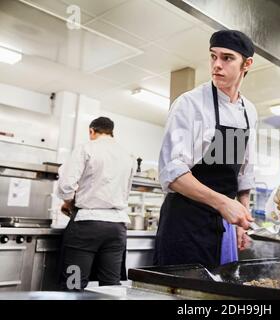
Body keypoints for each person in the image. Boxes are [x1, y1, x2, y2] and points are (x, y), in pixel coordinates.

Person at [155, 30, 258, 267]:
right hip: (184, 224)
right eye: (213, 56)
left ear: (247, 64)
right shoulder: (189, 104)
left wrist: (241, 220)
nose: (217, 65)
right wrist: (223, 203)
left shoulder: (249, 111)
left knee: (217, 294)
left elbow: (244, 173)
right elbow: (172, 173)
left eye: (227, 58)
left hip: (221, 225)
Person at [57, 117, 135, 290]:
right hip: (117, 228)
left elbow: (66, 185)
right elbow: (126, 191)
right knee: (111, 285)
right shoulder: (128, 156)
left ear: (92, 131)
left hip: (87, 226)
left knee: (74, 283)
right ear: (111, 132)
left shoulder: (86, 148)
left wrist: (69, 204)